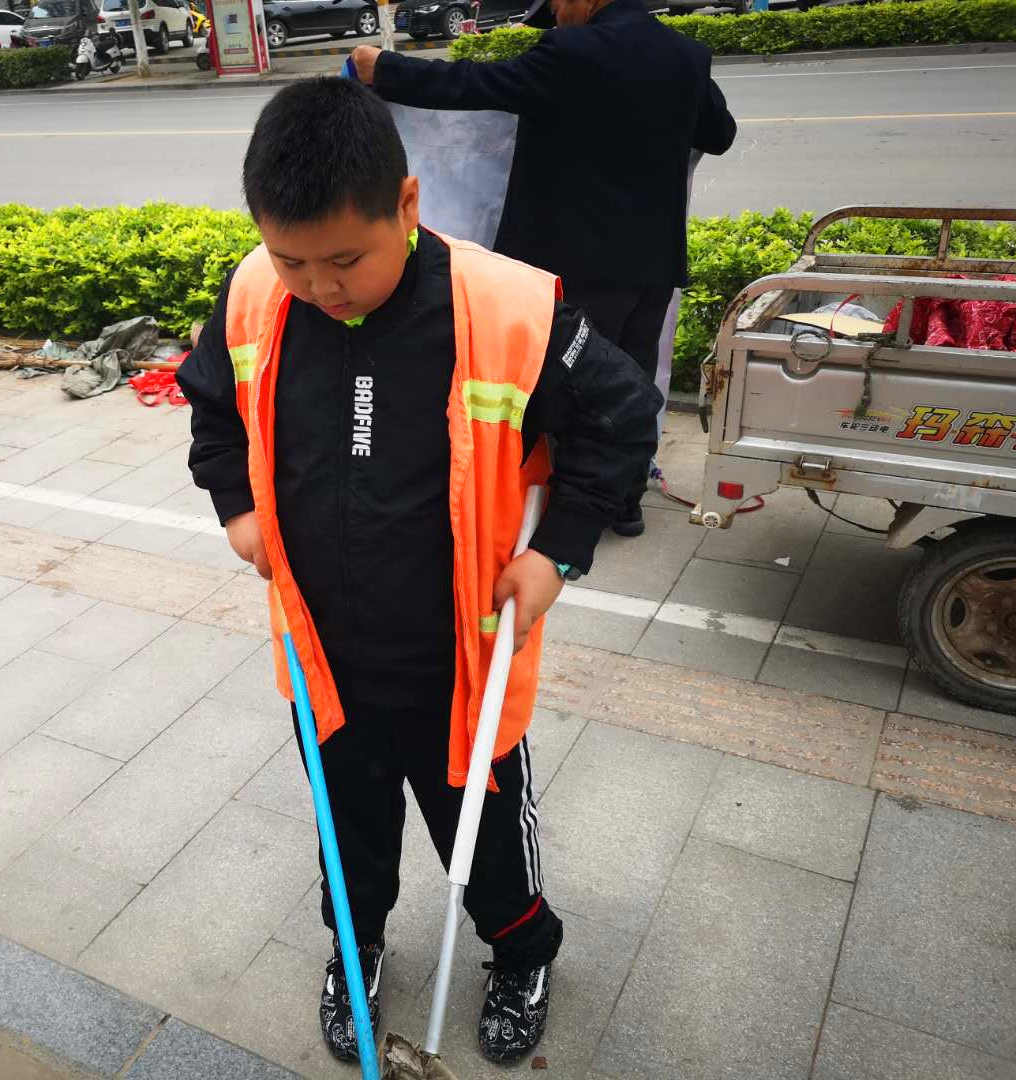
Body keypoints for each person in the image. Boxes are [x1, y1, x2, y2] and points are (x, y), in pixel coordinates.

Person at [176, 79, 660, 1066]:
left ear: (405, 204)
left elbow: (622, 422)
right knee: (346, 832)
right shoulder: (255, 294)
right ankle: (353, 952)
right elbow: (214, 412)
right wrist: (237, 510)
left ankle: (522, 953)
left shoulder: (507, 307)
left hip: (459, 664)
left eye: (345, 260)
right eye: (292, 260)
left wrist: (558, 551)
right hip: (325, 656)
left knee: (484, 837)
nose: (320, 288)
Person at [350, 0, 736, 536]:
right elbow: (719, 133)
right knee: (631, 383)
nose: (554, 15)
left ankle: (566, 506)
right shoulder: (685, 53)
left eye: (555, 4)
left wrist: (384, 68)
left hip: (576, 265)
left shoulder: (572, 50)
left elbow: (471, 85)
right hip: (651, 264)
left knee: (568, 388)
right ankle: (624, 502)